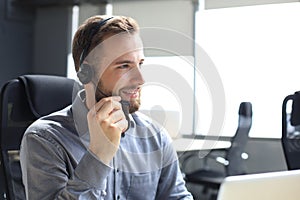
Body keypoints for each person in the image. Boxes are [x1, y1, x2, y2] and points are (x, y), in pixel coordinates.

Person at [20, 15, 193, 200]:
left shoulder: (156, 136)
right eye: (124, 66)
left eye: (140, 64)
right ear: (86, 72)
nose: (140, 79)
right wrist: (99, 155)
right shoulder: (44, 139)